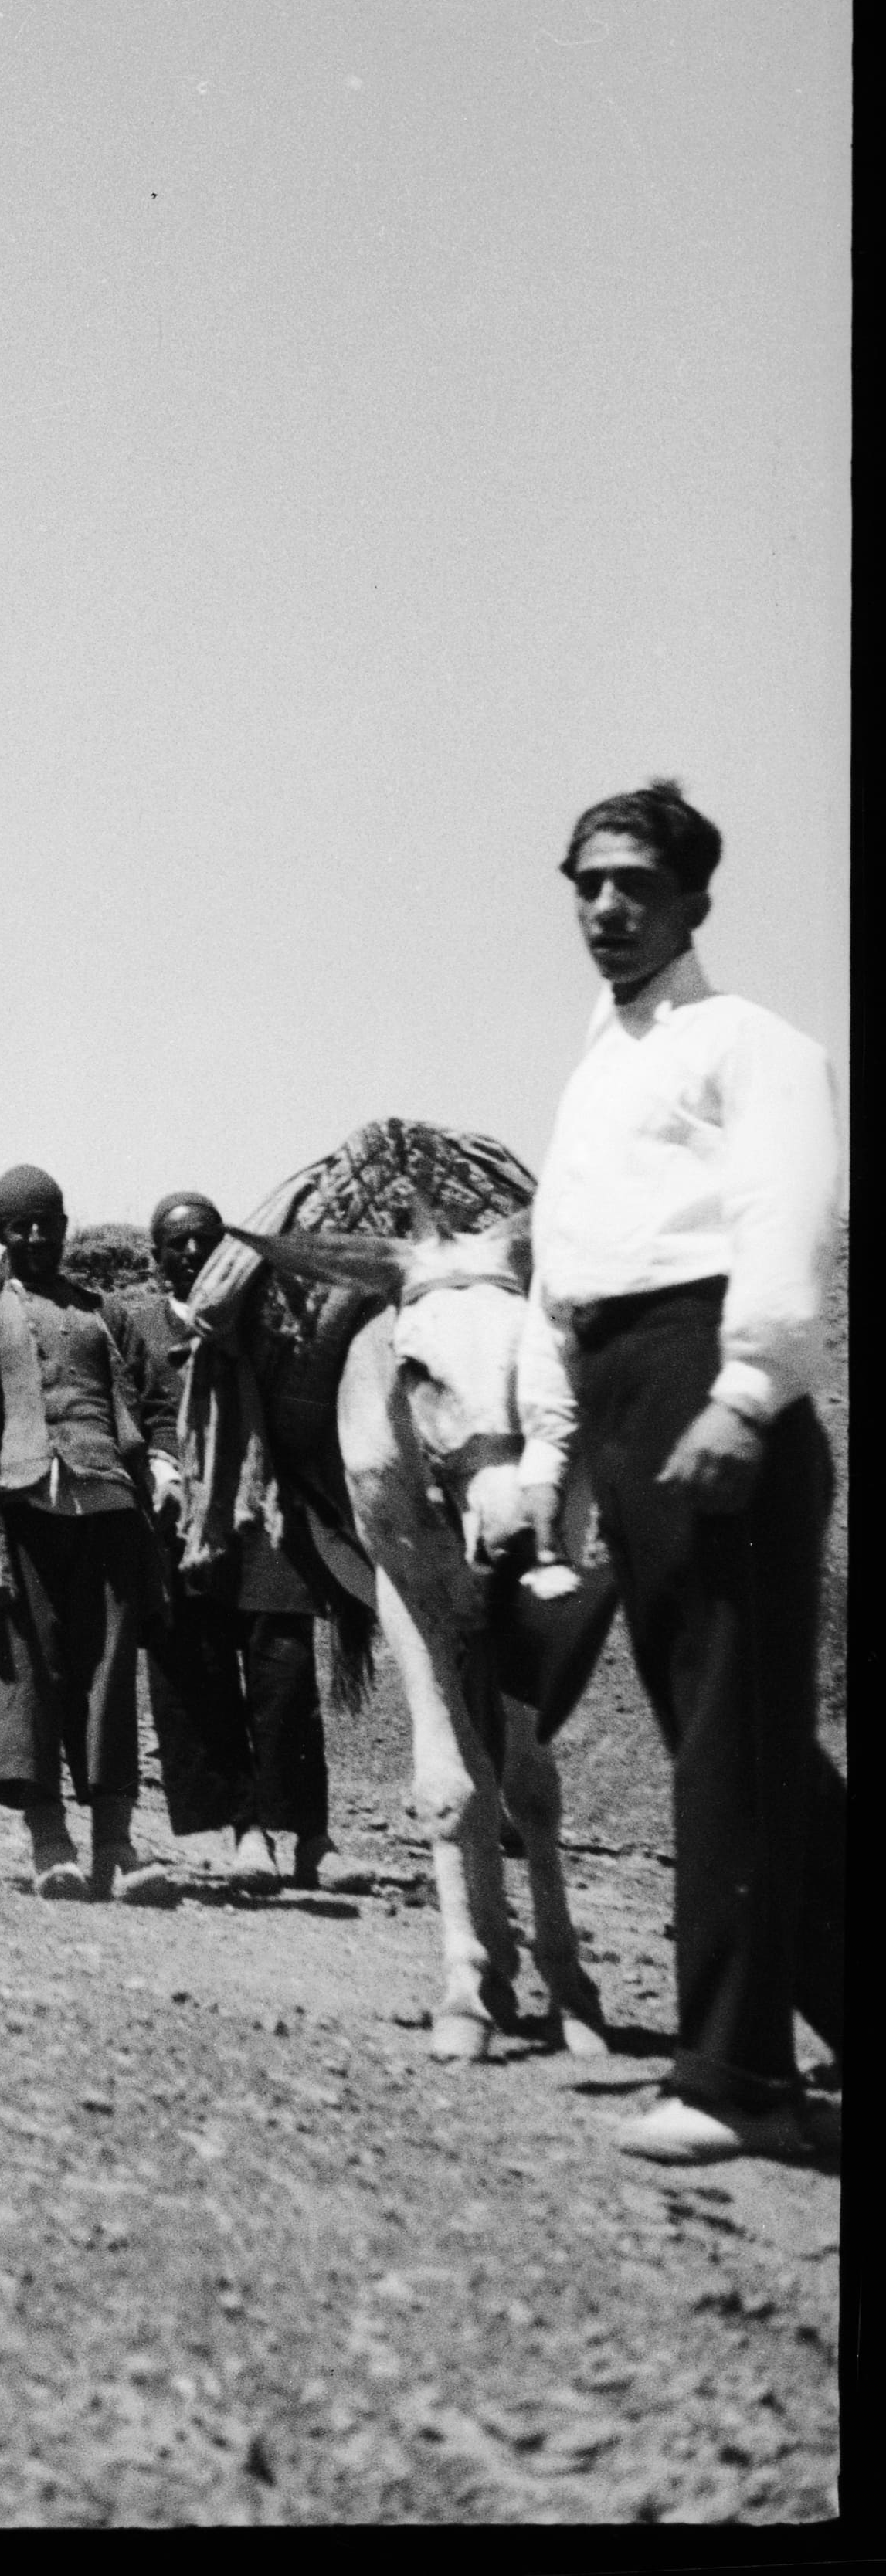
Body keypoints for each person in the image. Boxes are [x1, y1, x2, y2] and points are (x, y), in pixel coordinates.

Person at [523, 779, 845, 2169]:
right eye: (584, 884)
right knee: (740, 1744)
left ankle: (733, 2083)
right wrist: (551, 1449)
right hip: (616, 1385)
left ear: (691, 900)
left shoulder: (746, 1043)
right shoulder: (599, 1060)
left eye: (632, 886)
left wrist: (744, 1392)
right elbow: (563, 1272)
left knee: (729, 1743)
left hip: (706, 1380)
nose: (603, 908)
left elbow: (786, 1220)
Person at [0, 1166, 172, 1902]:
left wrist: (164, 1460)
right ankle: (49, 1843)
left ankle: (115, 1847)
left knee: (109, 1673)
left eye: (45, 1223)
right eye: (18, 1227)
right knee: (27, 1673)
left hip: (108, 1511)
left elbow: (157, 1404)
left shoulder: (104, 1313)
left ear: (63, 1225)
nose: (33, 1237)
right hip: (13, 1515)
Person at [134, 1192, 372, 1892]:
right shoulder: (138, 1326)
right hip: (181, 1530)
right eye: (174, 1243)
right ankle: (245, 1833)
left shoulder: (267, 1326)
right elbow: (124, 1405)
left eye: (203, 1239)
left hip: (264, 1517)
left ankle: (312, 1838)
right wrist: (154, 1463)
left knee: (283, 1675)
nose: (189, 1252)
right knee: (201, 1678)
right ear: (156, 1260)